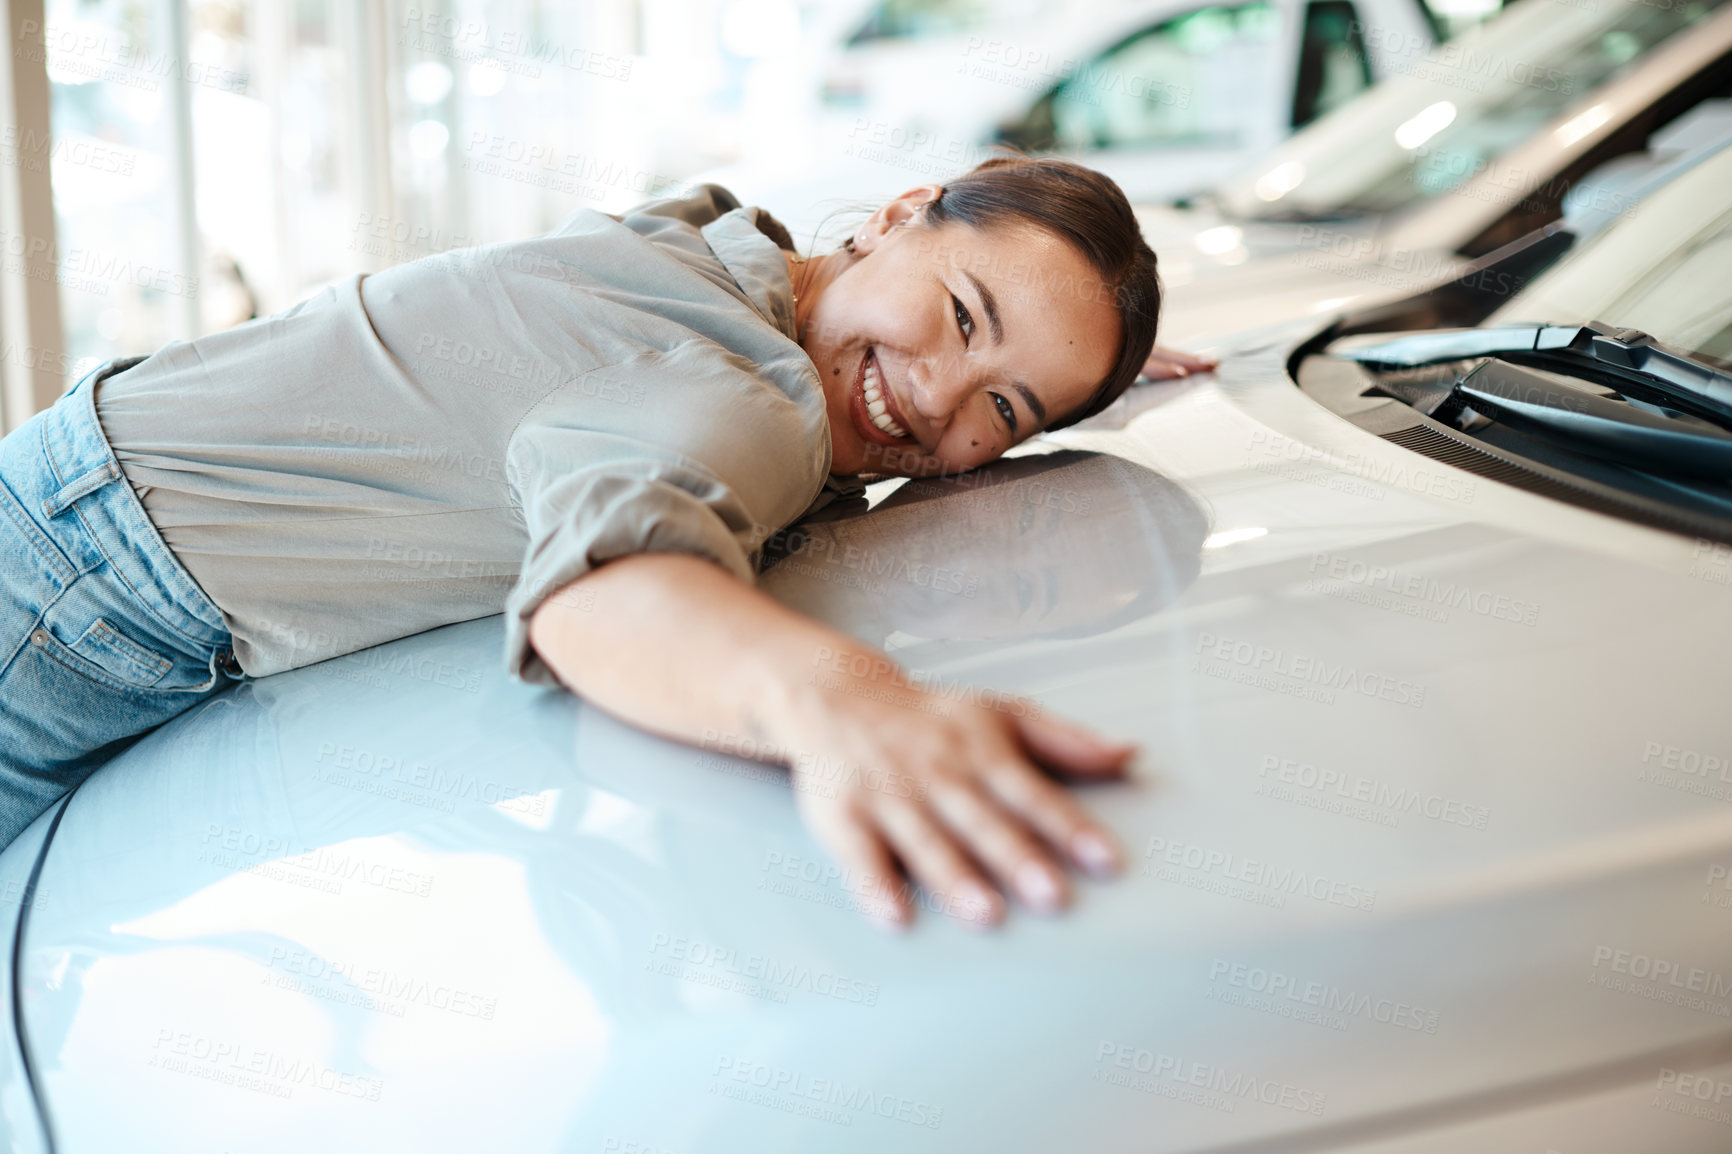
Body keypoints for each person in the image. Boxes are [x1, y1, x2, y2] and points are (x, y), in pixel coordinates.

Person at [0, 155, 1215, 927]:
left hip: (71, 500)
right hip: (62, 602)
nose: (938, 395)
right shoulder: (752, 396)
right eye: (960, 315)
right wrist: (837, 695)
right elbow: (607, 593)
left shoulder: (721, 247)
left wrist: (1057, 349)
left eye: (1003, 409)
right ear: (900, 213)